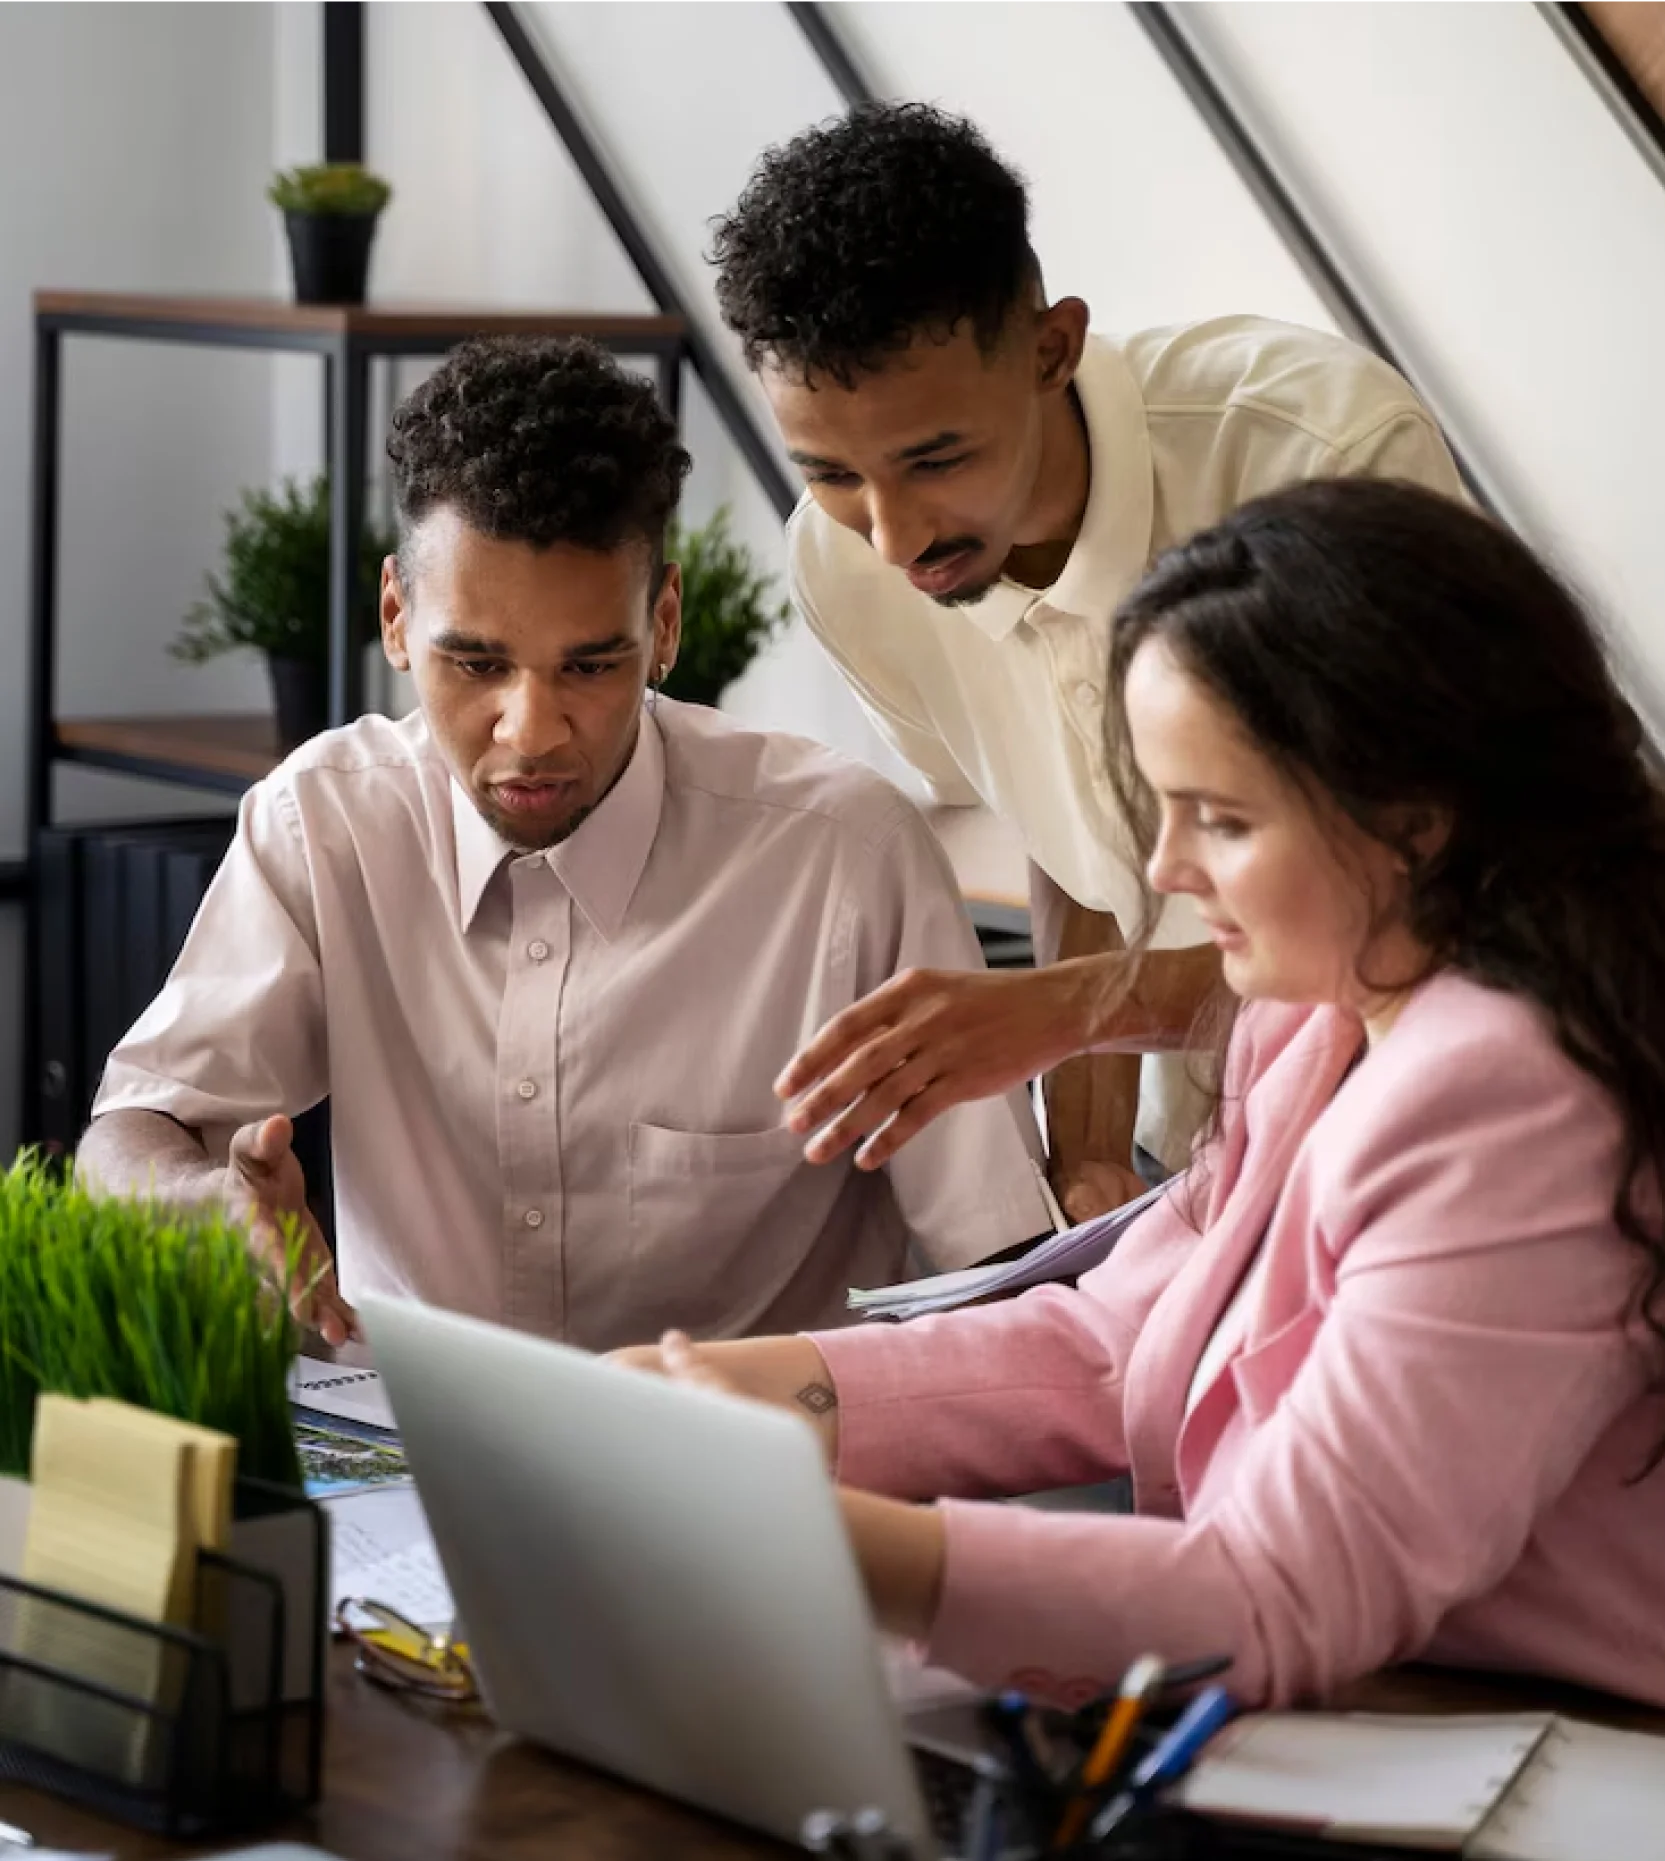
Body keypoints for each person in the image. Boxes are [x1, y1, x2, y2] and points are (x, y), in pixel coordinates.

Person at [619, 479, 1665, 1710]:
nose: (1165, 869)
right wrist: (773, 1389)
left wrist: (800, 1537)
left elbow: (1283, 1589)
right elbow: (1127, 1338)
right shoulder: (1321, 1004)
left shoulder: (1508, 1092)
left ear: (1415, 825)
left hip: (1553, 1744)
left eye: (1219, 819)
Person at [78, 337, 1050, 1353]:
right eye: (477, 663)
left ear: (664, 625)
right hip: (415, 1469)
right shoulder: (323, 823)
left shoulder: (848, 860)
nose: (530, 731)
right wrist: (202, 1200)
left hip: (756, 1478)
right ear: (397, 618)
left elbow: (999, 1273)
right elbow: (133, 1131)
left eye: (588, 667)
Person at [710, 102, 1468, 1213]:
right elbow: (1071, 840)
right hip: (1208, 1144)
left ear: (1052, 349)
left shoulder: (1318, 455)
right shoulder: (844, 564)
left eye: (936, 458)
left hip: (1460, 1113)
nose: (895, 534)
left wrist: (1071, 1008)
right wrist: (1087, 1157)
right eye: (830, 471)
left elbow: (1439, 905)